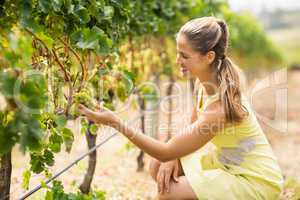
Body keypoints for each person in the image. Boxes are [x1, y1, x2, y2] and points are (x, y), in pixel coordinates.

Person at [79, 16, 284, 200]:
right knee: (158, 166)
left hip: (253, 179)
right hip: (230, 161)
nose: (178, 61)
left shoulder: (219, 108)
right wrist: (173, 156)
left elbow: (165, 150)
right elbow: (190, 126)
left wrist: (116, 122)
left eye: (184, 56)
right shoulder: (204, 84)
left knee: (167, 192)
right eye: (178, 54)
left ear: (209, 57)